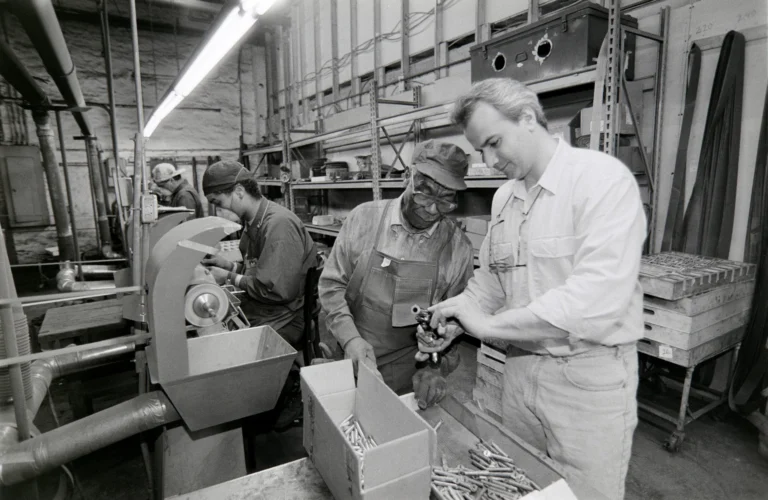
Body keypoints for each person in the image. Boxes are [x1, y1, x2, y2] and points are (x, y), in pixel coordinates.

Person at [421, 78, 646, 500]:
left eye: (493, 143)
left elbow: (593, 303)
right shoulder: (505, 198)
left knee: (582, 495)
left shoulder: (600, 181)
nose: (488, 160)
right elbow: (491, 279)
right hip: (521, 367)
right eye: (479, 151)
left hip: (587, 377)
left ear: (527, 118)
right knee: (520, 485)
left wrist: (485, 326)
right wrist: (458, 314)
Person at [319, 140, 475, 409]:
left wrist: (436, 368)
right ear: (409, 176)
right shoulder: (363, 219)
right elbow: (331, 287)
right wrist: (350, 339)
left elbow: (456, 323)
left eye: (445, 201)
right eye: (424, 194)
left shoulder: (457, 248)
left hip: (409, 374)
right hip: (351, 358)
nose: (432, 210)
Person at [201, 160, 317, 349]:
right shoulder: (254, 221)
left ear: (239, 191)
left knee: (234, 350)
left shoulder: (278, 225)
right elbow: (261, 270)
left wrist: (229, 277)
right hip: (266, 307)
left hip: (287, 316)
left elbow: (274, 289)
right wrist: (229, 266)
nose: (218, 210)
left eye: (218, 203)